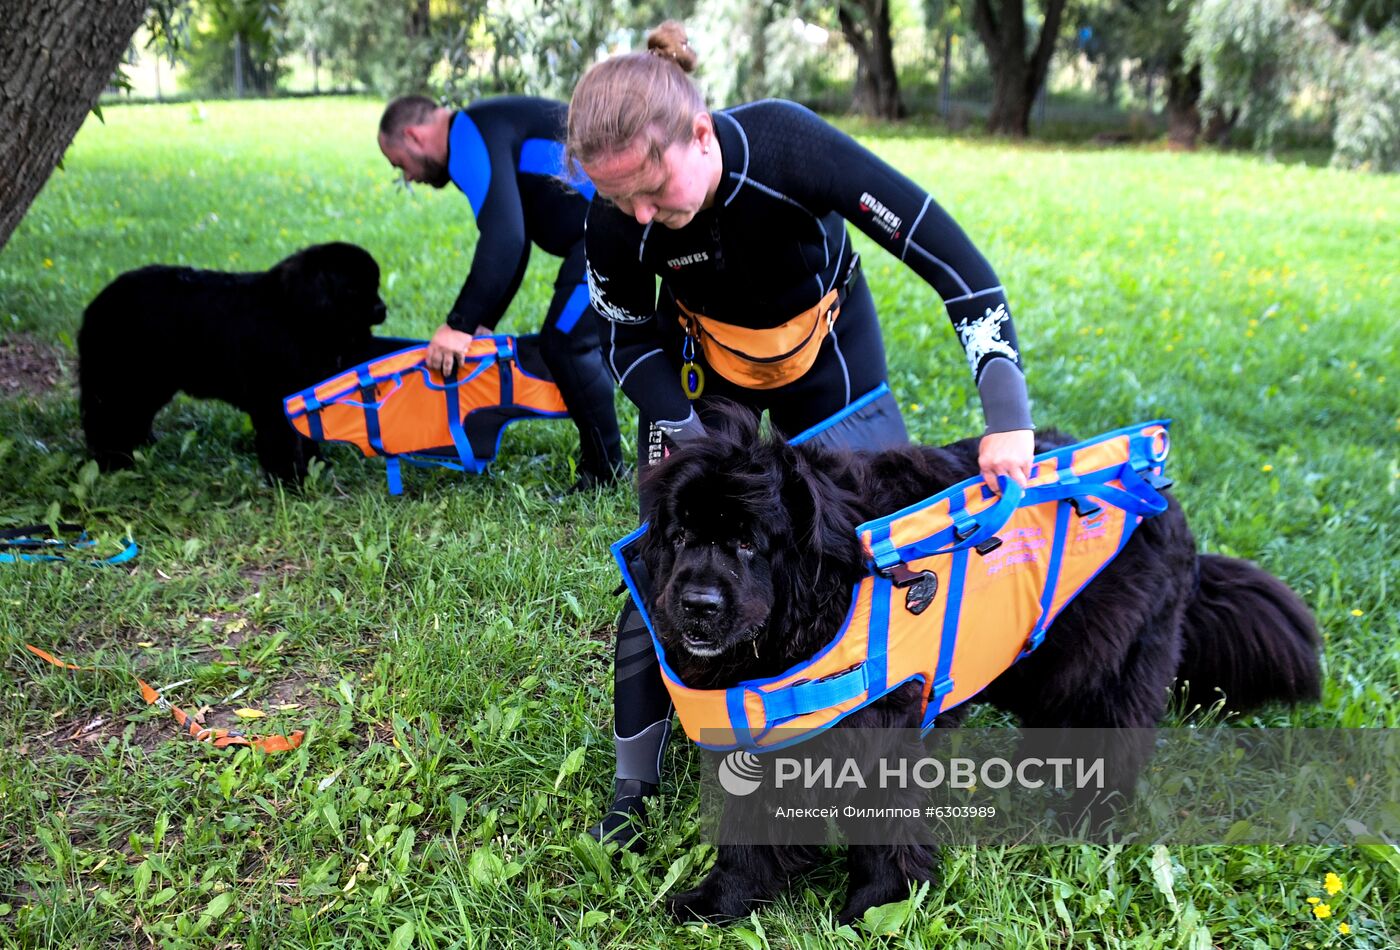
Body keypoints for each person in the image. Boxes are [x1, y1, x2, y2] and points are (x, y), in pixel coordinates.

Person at [567, 22, 1037, 848]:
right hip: (705, 380)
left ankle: (879, 733)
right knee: (661, 559)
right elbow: (625, 339)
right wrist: (677, 425)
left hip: (827, 357)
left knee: (870, 553)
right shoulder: (619, 220)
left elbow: (959, 271)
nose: (643, 216)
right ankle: (632, 783)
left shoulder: (786, 147)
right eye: (620, 200)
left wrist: (1008, 417)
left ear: (701, 133)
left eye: (652, 187)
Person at [378, 94, 625, 490]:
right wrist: (482, 323)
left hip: (611, 228)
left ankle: (605, 474)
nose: (407, 177)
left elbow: (505, 238)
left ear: (414, 135)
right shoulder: (482, 126)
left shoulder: (468, 134)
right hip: (602, 231)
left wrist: (458, 324)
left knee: (566, 344)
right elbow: (519, 239)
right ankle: (606, 466)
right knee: (566, 341)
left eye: (399, 164)